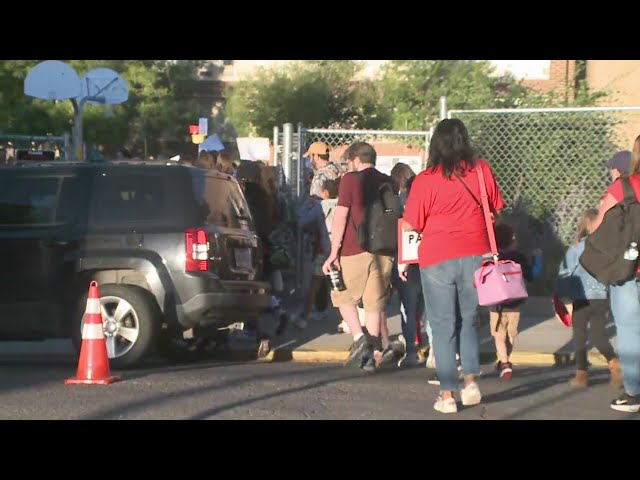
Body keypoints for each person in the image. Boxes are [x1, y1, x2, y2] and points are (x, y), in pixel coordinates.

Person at [403, 118, 504, 414]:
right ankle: (470, 381)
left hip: (436, 256)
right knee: (469, 320)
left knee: (443, 324)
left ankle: (447, 394)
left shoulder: (426, 179)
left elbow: (412, 222)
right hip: (475, 254)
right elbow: (496, 208)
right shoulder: (481, 170)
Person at [322, 141, 395, 373]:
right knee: (374, 304)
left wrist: (333, 252)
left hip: (354, 248)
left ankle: (358, 338)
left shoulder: (350, 180)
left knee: (341, 294)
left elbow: (341, 216)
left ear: (355, 159)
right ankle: (371, 356)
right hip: (384, 250)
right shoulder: (388, 181)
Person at [591, 135, 640, 412]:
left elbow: (598, 223)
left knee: (630, 328)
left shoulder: (623, 186)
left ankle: (634, 392)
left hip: (627, 267)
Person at [556, 209, 622, 389]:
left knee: (580, 337)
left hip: (580, 297)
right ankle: (614, 363)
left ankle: (581, 375)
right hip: (601, 298)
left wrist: (563, 297)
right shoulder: (608, 249)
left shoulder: (575, 249)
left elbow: (565, 273)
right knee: (599, 336)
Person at [490, 223, 543, 379]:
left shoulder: (493, 258)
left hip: (496, 304)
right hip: (515, 303)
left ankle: (504, 362)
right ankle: (505, 359)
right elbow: (532, 276)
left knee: (499, 335)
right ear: (512, 240)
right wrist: (538, 259)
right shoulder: (519, 258)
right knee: (511, 334)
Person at [391, 163, 424, 367]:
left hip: (407, 259)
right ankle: (434, 350)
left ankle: (411, 349)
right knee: (428, 307)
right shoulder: (427, 203)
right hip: (428, 259)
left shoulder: (398, 203)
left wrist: (400, 263)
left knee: (408, 308)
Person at [296, 178, 339, 328]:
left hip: (324, 251)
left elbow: (303, 223)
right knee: (342, 287)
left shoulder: (320, 207)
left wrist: (308, 205)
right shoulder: (343, 205)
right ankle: (349, 321)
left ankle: (304, 318)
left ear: (325, 192)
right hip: (341, 252)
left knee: (314, 286)